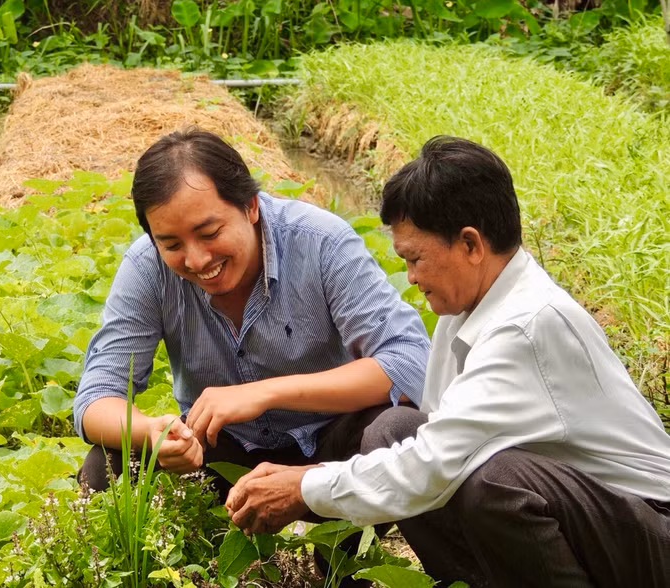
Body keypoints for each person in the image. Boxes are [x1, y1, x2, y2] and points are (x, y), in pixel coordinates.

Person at [225, 136, 670, 587]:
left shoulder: (524, 325)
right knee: (391, 430)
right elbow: (428, 442)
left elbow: (434, 465)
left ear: (471, 245)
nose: (412, 277)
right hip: (589, 521)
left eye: (416, 259)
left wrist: (304, 487)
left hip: (650, 530)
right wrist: (315, 476)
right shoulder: (465, 313)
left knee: (494, 481)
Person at [73, 128, 430, 501]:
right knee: (108, 463)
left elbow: (408, 361)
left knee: (399, 429)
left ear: (251, 207)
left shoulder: (320, 241)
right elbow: (96, 398)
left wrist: (265, 394)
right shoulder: (147, 269)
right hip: (222, 450)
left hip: (330, 452)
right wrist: (152, 432)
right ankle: (212, 554)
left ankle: (341, 556)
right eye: (172, 244)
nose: (197, 260)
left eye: (209, 232)